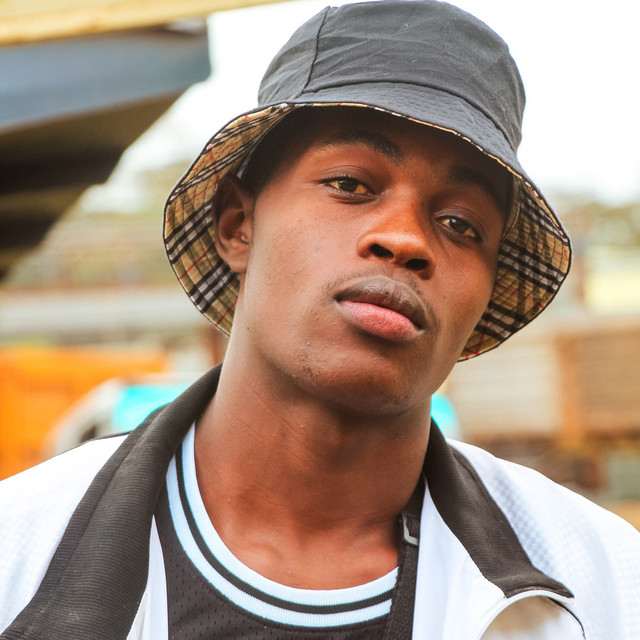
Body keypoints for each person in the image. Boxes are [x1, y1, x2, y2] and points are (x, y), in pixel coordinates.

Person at [1, 1, 639, 638]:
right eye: (351, 185)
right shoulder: (18, 555)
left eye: (460, 223)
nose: (405, 239)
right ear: (238, 225)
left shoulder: (607, 591)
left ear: (485, 295)